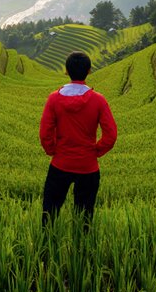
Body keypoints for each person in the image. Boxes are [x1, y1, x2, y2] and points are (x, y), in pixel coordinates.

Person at [39, 51, 117, 225]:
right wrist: (95, 151)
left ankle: (45, 248)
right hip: (88, 166)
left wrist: (52, 150)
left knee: (49, 214)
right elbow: (111, 135)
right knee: (84, 218)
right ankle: (82, 247)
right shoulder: (99, 100)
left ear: (66, 71)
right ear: (89, 71)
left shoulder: (53, 99)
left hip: (60, 164)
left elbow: (45, 133)